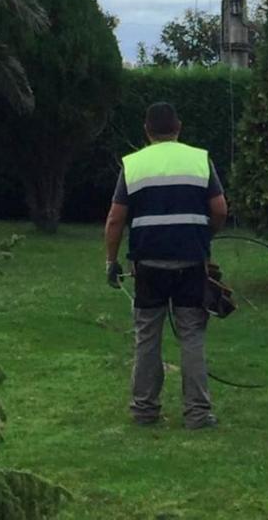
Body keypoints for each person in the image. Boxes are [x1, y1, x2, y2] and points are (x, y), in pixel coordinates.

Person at [104, 101, 228, 429]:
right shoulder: (200, 160)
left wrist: (111, 261)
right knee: (192, 335)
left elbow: (115, 220)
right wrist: (204, 237)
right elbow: (219, 210)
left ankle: (144, 410)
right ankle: (198, 414)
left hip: (148, 263)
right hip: (191, 261)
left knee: (147, 336)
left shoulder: (133, 165)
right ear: (179, 127)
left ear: (146, 131)